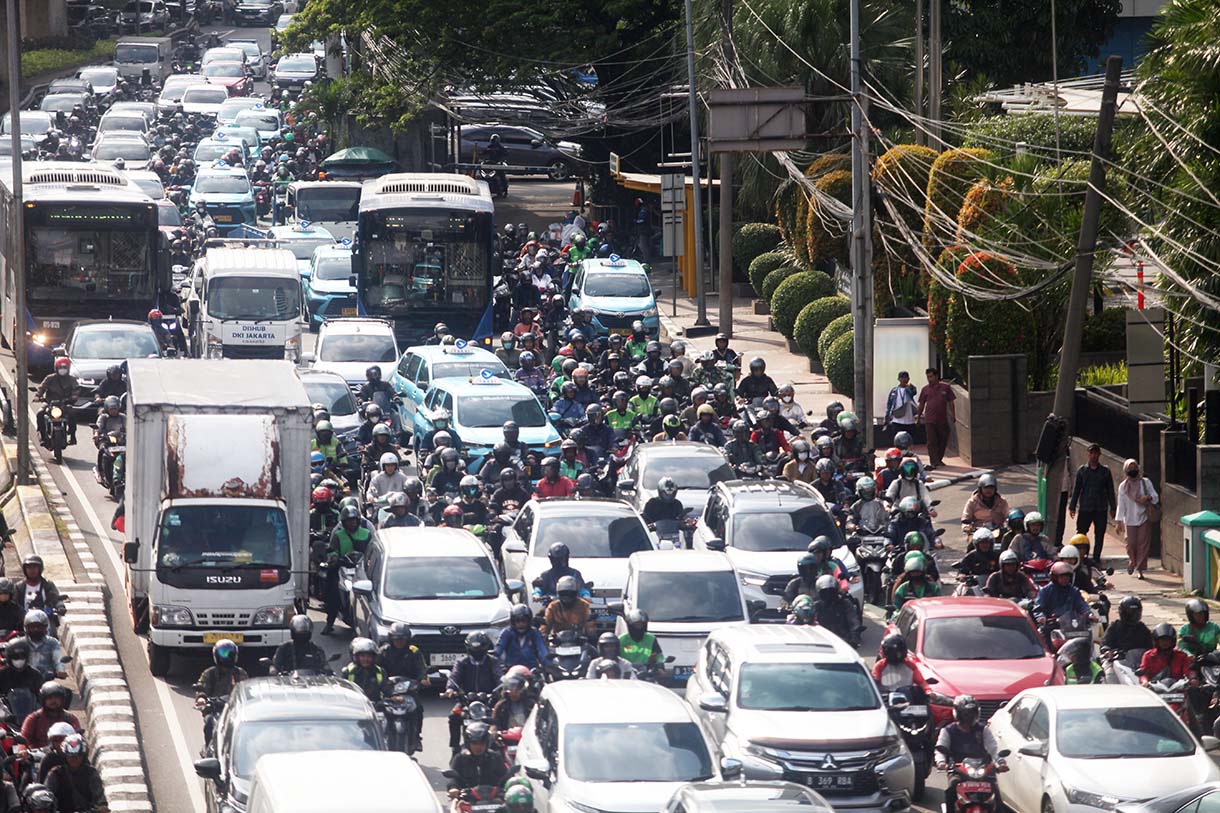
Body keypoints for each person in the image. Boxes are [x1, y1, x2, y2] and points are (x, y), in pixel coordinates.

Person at [933, 695, 1004, 811]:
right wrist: (941, 762)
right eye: (966, 713)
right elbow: (940, 748)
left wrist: (1000, 762)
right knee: (952, 788)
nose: (969, 717)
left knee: (995, 792)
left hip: (983, 770)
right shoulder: (948, 731)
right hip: (958, 771)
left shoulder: (983, 730)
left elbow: (993, 748)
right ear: (958, 713)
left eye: (971, 713)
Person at [444, 633, 503, 753]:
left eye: (480, 649)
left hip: (489, 701)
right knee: (454, 716)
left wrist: (502, 689)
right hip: (466, 701)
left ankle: (502, 744)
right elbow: (454, 676)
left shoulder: (493, 662)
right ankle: (455, 747)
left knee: (501, 716)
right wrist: (450, 689)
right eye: (474, 649)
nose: (477, 652)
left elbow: (499, 676)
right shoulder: (462, 662)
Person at [323, 506, 370, 634]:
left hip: (362, 569)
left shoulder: (366, 533)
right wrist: (333, 559)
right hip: (343, 568)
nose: (352, 522)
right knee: (333, 592)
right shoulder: (338, 535)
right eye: (349, 520)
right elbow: (332, 550)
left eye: (354, 520)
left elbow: (372, 551)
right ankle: (329, 622)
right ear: (343, 522)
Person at [1069, 443, 1117, 564]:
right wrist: (1072, 506)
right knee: (1081, 533)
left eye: (1096, 453)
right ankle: (1080, 557)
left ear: (1099, 454)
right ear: (1088, 454)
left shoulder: (1105, 472)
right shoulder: (1082, 471)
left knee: (1099, 534)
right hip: (1085, 507)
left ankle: (1096, 558)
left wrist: (1113, 507)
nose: (1093, 455)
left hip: (1100, 507)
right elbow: (1076, 489)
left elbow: (1110, 490)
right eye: (1091, 453)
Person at [194, 639, 247, 743]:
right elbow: (202, 688)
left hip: (235, 710)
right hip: (216, 710)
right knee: (209, 723)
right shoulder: (210, 673)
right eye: (223, 653)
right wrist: (201, 698)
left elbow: (246, 689)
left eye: (229, 653)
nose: (226, 656)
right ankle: (209, 749)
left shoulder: (240, 673)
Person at [1115, 458, 1159, 579]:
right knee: (1130, 544)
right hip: (1129, 519)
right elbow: (1121, 504)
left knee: (1142, 545)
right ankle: (1132, 561)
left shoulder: (1145, 482)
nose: (1133, 470)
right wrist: (1118, 522)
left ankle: (1140, 569)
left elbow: (1156, 497)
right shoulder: (1123, 487)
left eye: (1135, 468)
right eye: (1130, 469)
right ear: (1125, 470)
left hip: (1143, 517)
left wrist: (1148, 498)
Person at [45, 734, 107, 813]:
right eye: (70, 756)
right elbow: (48, 796)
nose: (74, 759)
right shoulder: (55, 773)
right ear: (65, 756)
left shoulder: (91, 773)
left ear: (83, 756)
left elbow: (99, 795)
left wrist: (102, 806)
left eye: (78, 755)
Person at [447, 722, 508, 795]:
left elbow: (505, 776)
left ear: (487, 744)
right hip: (467, 799)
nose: (478, 747)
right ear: (468, 743)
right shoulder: (460, 758)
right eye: (474, 743)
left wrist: (512, 784)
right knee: (455, 804)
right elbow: (453, 778)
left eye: (482, 744)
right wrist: (453, 788)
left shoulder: (495, 757)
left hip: (493, 799)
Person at [21, 682, 80, 750]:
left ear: (62, 700)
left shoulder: (70, 718)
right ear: (43, 700)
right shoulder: (33, 718)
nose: (53, 700)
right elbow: (24, 739)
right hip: (38, 757)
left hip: (65, 755)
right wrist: (23, 752)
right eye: (49, 698)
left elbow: (79, 739)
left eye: (57, 697)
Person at [916, 368, 955, 470]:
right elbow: (921, 404)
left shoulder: (945, 387)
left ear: (936, 376)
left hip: (942, 419)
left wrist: (953, 415)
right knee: (931, 441)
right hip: (930, 419)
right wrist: (918, 417)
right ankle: (934, 461)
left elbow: (951, 402)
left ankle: (939, 459)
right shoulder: (925, 389)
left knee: (943, 439)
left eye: (931, 376)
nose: (929, 379)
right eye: (928, 377)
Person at [36, 357, 79, 446]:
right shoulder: (49, 378)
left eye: (64, 367)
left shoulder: (72, 379)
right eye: (60, 367)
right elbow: (42, 388)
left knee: (72, 413)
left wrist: (74, 397)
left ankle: (73, 436)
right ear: (56, 368)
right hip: (50, 403)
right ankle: (42, 436)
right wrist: (38, 396)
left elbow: (76, 389)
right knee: (40, 413)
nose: (62, 370)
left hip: (64, 404)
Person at [1035, 562, 1091, 626]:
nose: (1065, 579)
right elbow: (1038, 608)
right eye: (1062, 577)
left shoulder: (1074, 591)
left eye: (1067, 577)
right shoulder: (1045, 591)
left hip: (1071, 625)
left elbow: (1082, 605)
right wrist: (1041, 617)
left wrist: (1089, 614)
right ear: (1054, 577)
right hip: (1051, 625)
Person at [811, 574, 860, 646]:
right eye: (825, 592)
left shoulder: (845, 604)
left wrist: (854, 637)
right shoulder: (816, 606)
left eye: (831, 592)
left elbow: (853, 621)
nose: (828, 595)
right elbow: (809, 622)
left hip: (842, 640)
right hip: (821, 641)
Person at [496, 604, 549, 670]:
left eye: (524, 621)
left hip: (532, 672)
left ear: (529, 621)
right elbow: (498, 650)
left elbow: (542, 650)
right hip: (510, 671)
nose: (521, 624)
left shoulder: (535, 633)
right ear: (513, 621)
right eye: (518, 621)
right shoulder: (506, 633)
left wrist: (549, 665)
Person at [22, 610, 66, 679]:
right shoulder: (21, 642)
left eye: (39, 627)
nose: (36, 629)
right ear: (26, 628)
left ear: (45, 627)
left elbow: (58, 659)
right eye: (32, 627)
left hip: (45, 679)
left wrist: (60, 670)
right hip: (25, 679)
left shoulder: (52, 642)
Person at [340, 637, 385, 703]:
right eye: (363, 656)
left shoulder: (380, 672)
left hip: (375, 708)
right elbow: (342, 691)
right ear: (357, 657)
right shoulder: (348, 671)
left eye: (369, 656)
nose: (366, 659)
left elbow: (386, 689)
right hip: (354, 706)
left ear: (374, 657)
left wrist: (394, 697)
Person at [884, 371, 919, 439]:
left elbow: (913, 393)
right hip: (897, 420)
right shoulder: (894, 390)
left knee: (910, 440)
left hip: (909, 420)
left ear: (908, 379)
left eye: (906, 378)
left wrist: (912, 388)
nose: (904, 379)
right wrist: (887, 417)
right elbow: (889, 405)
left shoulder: (909, 389)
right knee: (897, 440)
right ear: (899, 379)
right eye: (902, 378)